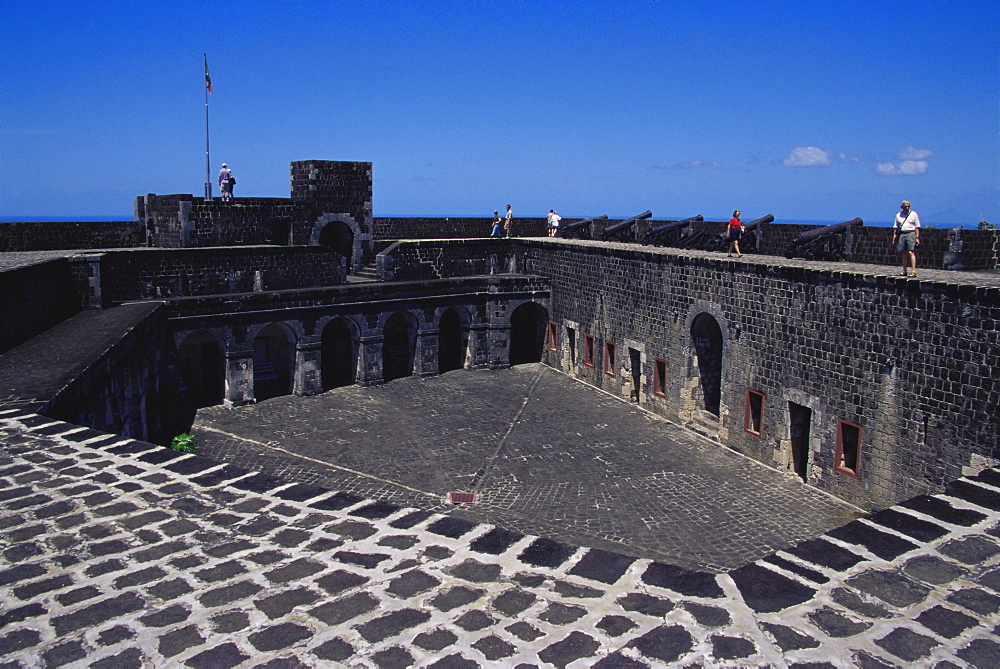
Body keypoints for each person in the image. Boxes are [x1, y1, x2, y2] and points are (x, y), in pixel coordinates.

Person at [892, 200, 921, 277]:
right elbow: (896, 227)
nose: (907, 208)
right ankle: (904, 270)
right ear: (902, 207)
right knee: (903, 252)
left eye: (908, 206)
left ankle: (913, 271)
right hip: (902, 234)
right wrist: (894, 238)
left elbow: (917, 227)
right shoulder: (898, 215)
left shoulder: (913, 214)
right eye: (905, 206)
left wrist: (917, 237)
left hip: (911, 233)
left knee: (911, 252)